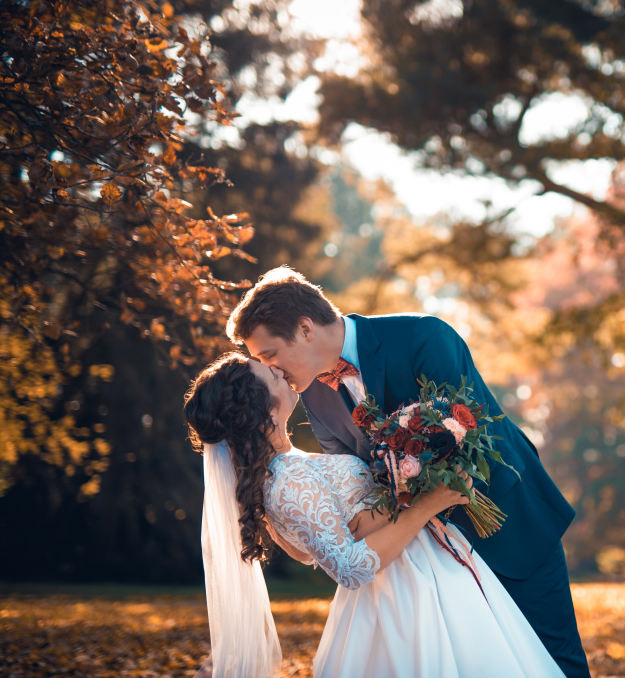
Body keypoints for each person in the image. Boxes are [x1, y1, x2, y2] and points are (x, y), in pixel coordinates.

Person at [226, 267, 591, 678]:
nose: (271, 368)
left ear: (306, 328)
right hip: (426, 566)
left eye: (269, 354)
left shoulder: (423, 337)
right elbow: (363, 485)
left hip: (508, 525)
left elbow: (468, 439)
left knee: (554, 661)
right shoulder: (311, 393)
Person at [184, 352, 567, 677]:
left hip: (423, 569)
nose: (280, 371)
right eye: (270, 373)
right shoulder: (285, 483)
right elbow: (349, 569)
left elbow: (320, 544)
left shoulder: (289, 466)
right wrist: (428, 503)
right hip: (403, 596)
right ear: (257, 406)